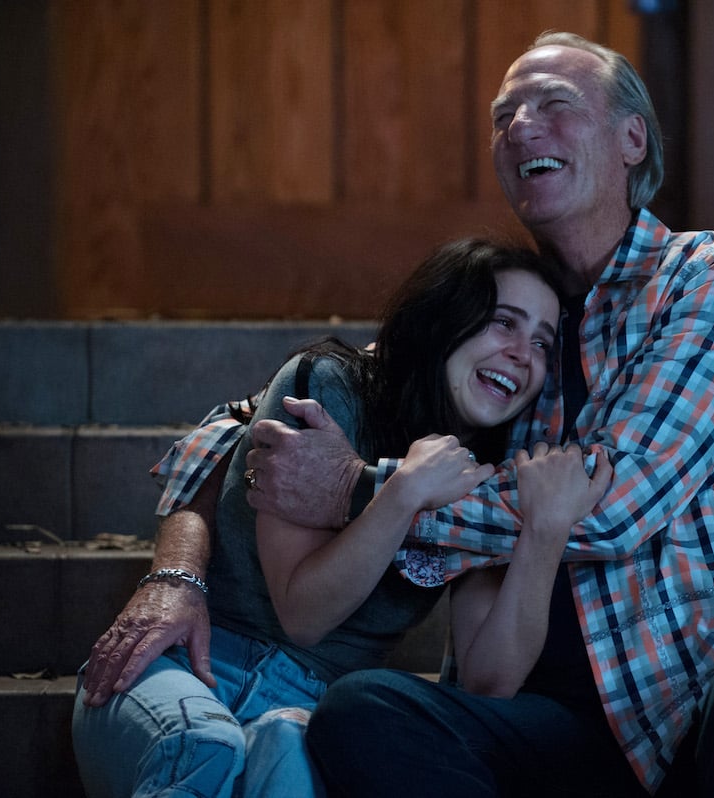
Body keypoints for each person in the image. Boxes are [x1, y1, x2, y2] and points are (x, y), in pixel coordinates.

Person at [245, 31, 714, 797]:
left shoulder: (712, 277)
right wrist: (213, 477)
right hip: (562, 732)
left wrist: (358, 492)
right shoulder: (510, 354)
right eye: (504, 116)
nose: (521, 127)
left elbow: (617, 503)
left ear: (632, 138)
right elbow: (364, 383)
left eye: (554, 105)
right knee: (365, 711)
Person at [71, 237, 611, 797]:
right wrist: (402, 493)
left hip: (305, 710)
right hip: (185, 667)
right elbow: (303, 612)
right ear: (448, 315)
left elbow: (489, 681)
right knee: (207, 746)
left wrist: (544, 533)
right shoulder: (328, 385)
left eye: (544, 343)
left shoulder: (484, 476)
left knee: (288, 756)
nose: (525, 354)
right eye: (505, 323)